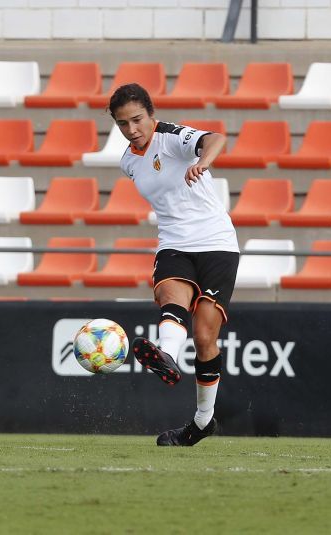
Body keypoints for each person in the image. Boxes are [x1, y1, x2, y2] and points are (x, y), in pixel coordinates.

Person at [109, 83, 239, 446]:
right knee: (170, 294)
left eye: (137, 119)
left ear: (151, 114)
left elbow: (216, 138)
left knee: (204, 337)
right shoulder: (128, 161)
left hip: (216, 242)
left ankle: (202, 421)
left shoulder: (171, 137)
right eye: (123, 124)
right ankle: (167, 354)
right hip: (174, 242)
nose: (132, 129)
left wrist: (202, 162)